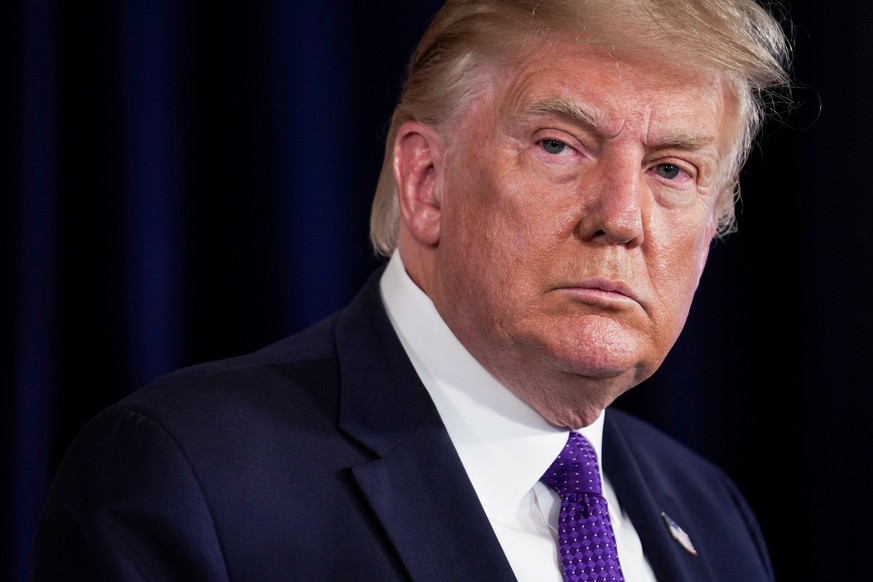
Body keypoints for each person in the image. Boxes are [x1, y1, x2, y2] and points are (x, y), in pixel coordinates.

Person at [32, 0, 792, 580]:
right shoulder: (186, 480)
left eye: (670, 170)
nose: (621, 219)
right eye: (559, 146)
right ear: (426, 184)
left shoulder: (712, 515)